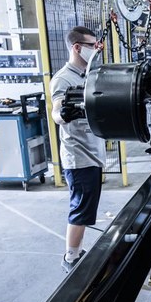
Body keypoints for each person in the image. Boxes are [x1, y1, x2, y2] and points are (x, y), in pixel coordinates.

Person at [50, 26, 106, 272]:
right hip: (79, 155)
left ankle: (76, 251)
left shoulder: (88, 74)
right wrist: (63, 114)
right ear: (77, 47)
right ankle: (71, 258)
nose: (95, 50)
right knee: (81, 208)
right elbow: (56, 111)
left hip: (92, 152)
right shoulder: (64, 78)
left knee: (87, 205)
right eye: (92, 46)